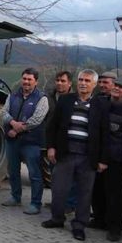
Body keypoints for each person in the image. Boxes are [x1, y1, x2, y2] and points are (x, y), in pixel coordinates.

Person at [42, 69, 110, 242]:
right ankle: (57, 219)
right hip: (65, 155)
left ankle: (79, 225)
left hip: (88, 158)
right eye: (81, 79)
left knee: (84, 194)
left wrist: (103, 159)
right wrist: (51, 147)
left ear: (94, 84)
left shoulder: (101, 105)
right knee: (58, 189)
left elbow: (105, 134)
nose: (83, 83)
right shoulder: (65, 100)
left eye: (87, 81)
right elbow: (52, 126)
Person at [90, 76, 122, 241]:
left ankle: (115, 227)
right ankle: (99, 219)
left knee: (115, 195)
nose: (117, 88)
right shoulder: (101, 104)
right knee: (97, 191)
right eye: (116, 85)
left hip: (116, 160)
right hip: (97, 156)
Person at [0, 68, 49, 215]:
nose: (26, 82)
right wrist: (12, 123)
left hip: (31, 142)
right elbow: (3, 112)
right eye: (24, 78)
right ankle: (15, 197)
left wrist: (17, 129)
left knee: (34, 173)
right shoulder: (13, 95)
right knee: (13, 171)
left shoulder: (42, 98)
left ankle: (35, 203)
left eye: (30, 79)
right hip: (12, 141)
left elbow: (37, 119)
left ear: (36, 81)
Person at [46, 70, 77, 213]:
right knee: (55, 175)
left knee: (70, 178)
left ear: (70, 83)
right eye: (58, 80)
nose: (59, 83)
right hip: (52, 142)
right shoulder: (49, 97)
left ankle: (70, 204)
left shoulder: (76, 99)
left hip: (69, 144)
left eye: (63, 81)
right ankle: (57, 202)